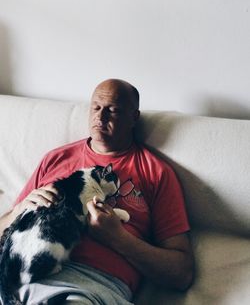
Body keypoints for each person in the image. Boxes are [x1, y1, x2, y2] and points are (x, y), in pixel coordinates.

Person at [0, 79, 194, 304]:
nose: (100, 118)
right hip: (17, 272)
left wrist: (118, 238)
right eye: (96, 108)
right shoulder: (55, 159)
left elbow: (182, 274)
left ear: (134, 118)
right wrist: (18, 211)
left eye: (113, 110)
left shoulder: (157, 173)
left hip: (87, 285)